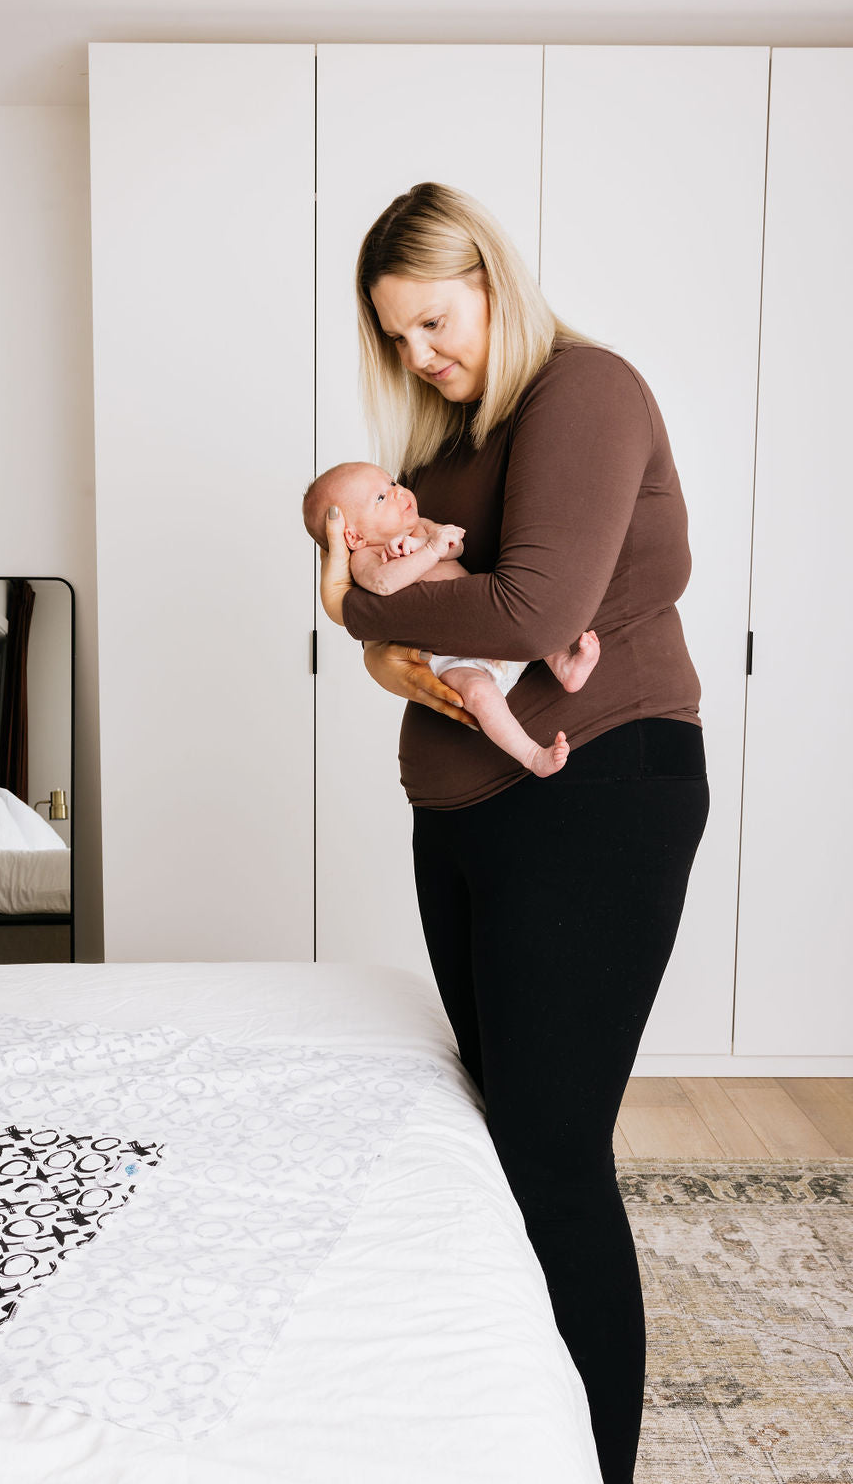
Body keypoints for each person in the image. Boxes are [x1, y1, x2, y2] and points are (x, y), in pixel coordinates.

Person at [317, 182, 709, 1484]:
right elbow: (426, 613)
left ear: (491, 278)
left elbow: (534, 611)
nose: (420, 355)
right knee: (508, 1132)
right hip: (471, 819)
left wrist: (363, 613)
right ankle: (513, 1426)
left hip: (593, 797)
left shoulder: (581, 393)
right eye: (397, 339)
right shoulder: (442, 450)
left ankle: (597, 1458)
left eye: (433, 321)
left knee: (551, 1146)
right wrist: (395, 633)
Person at [304, 459, 601, 776]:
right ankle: (532, 757)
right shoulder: (367, 557)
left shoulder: (419, 527)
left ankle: (565, 667)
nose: (397, 492)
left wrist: (425, 543)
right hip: (453, 660)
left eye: (391, 483)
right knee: (478, 695)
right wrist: (427, 553)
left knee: (531, 616)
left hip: (493, 623)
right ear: (354, 538)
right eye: (380, 498)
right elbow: (383, 583)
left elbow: (455, 547)